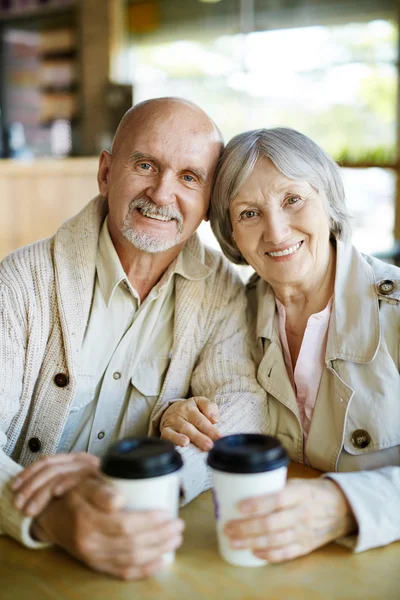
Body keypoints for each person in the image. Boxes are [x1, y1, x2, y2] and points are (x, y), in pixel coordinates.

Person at [0, 98, 268, 580]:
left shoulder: (222, 291)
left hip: (149, 541)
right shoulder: (22, 282)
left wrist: (165, 478)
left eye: (190, 177)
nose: (162, 194)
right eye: (145, 165)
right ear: (106, 174)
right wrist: (48, 514)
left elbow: (241, 405)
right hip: (24, 552)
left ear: (209, 202)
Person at [202, 126, 399, 562]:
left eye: (293, 200)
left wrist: (348, 507)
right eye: (249, 213)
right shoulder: (227, 314)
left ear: (327, 202)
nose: (275, 232)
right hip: (266, 559)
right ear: (230, 233)